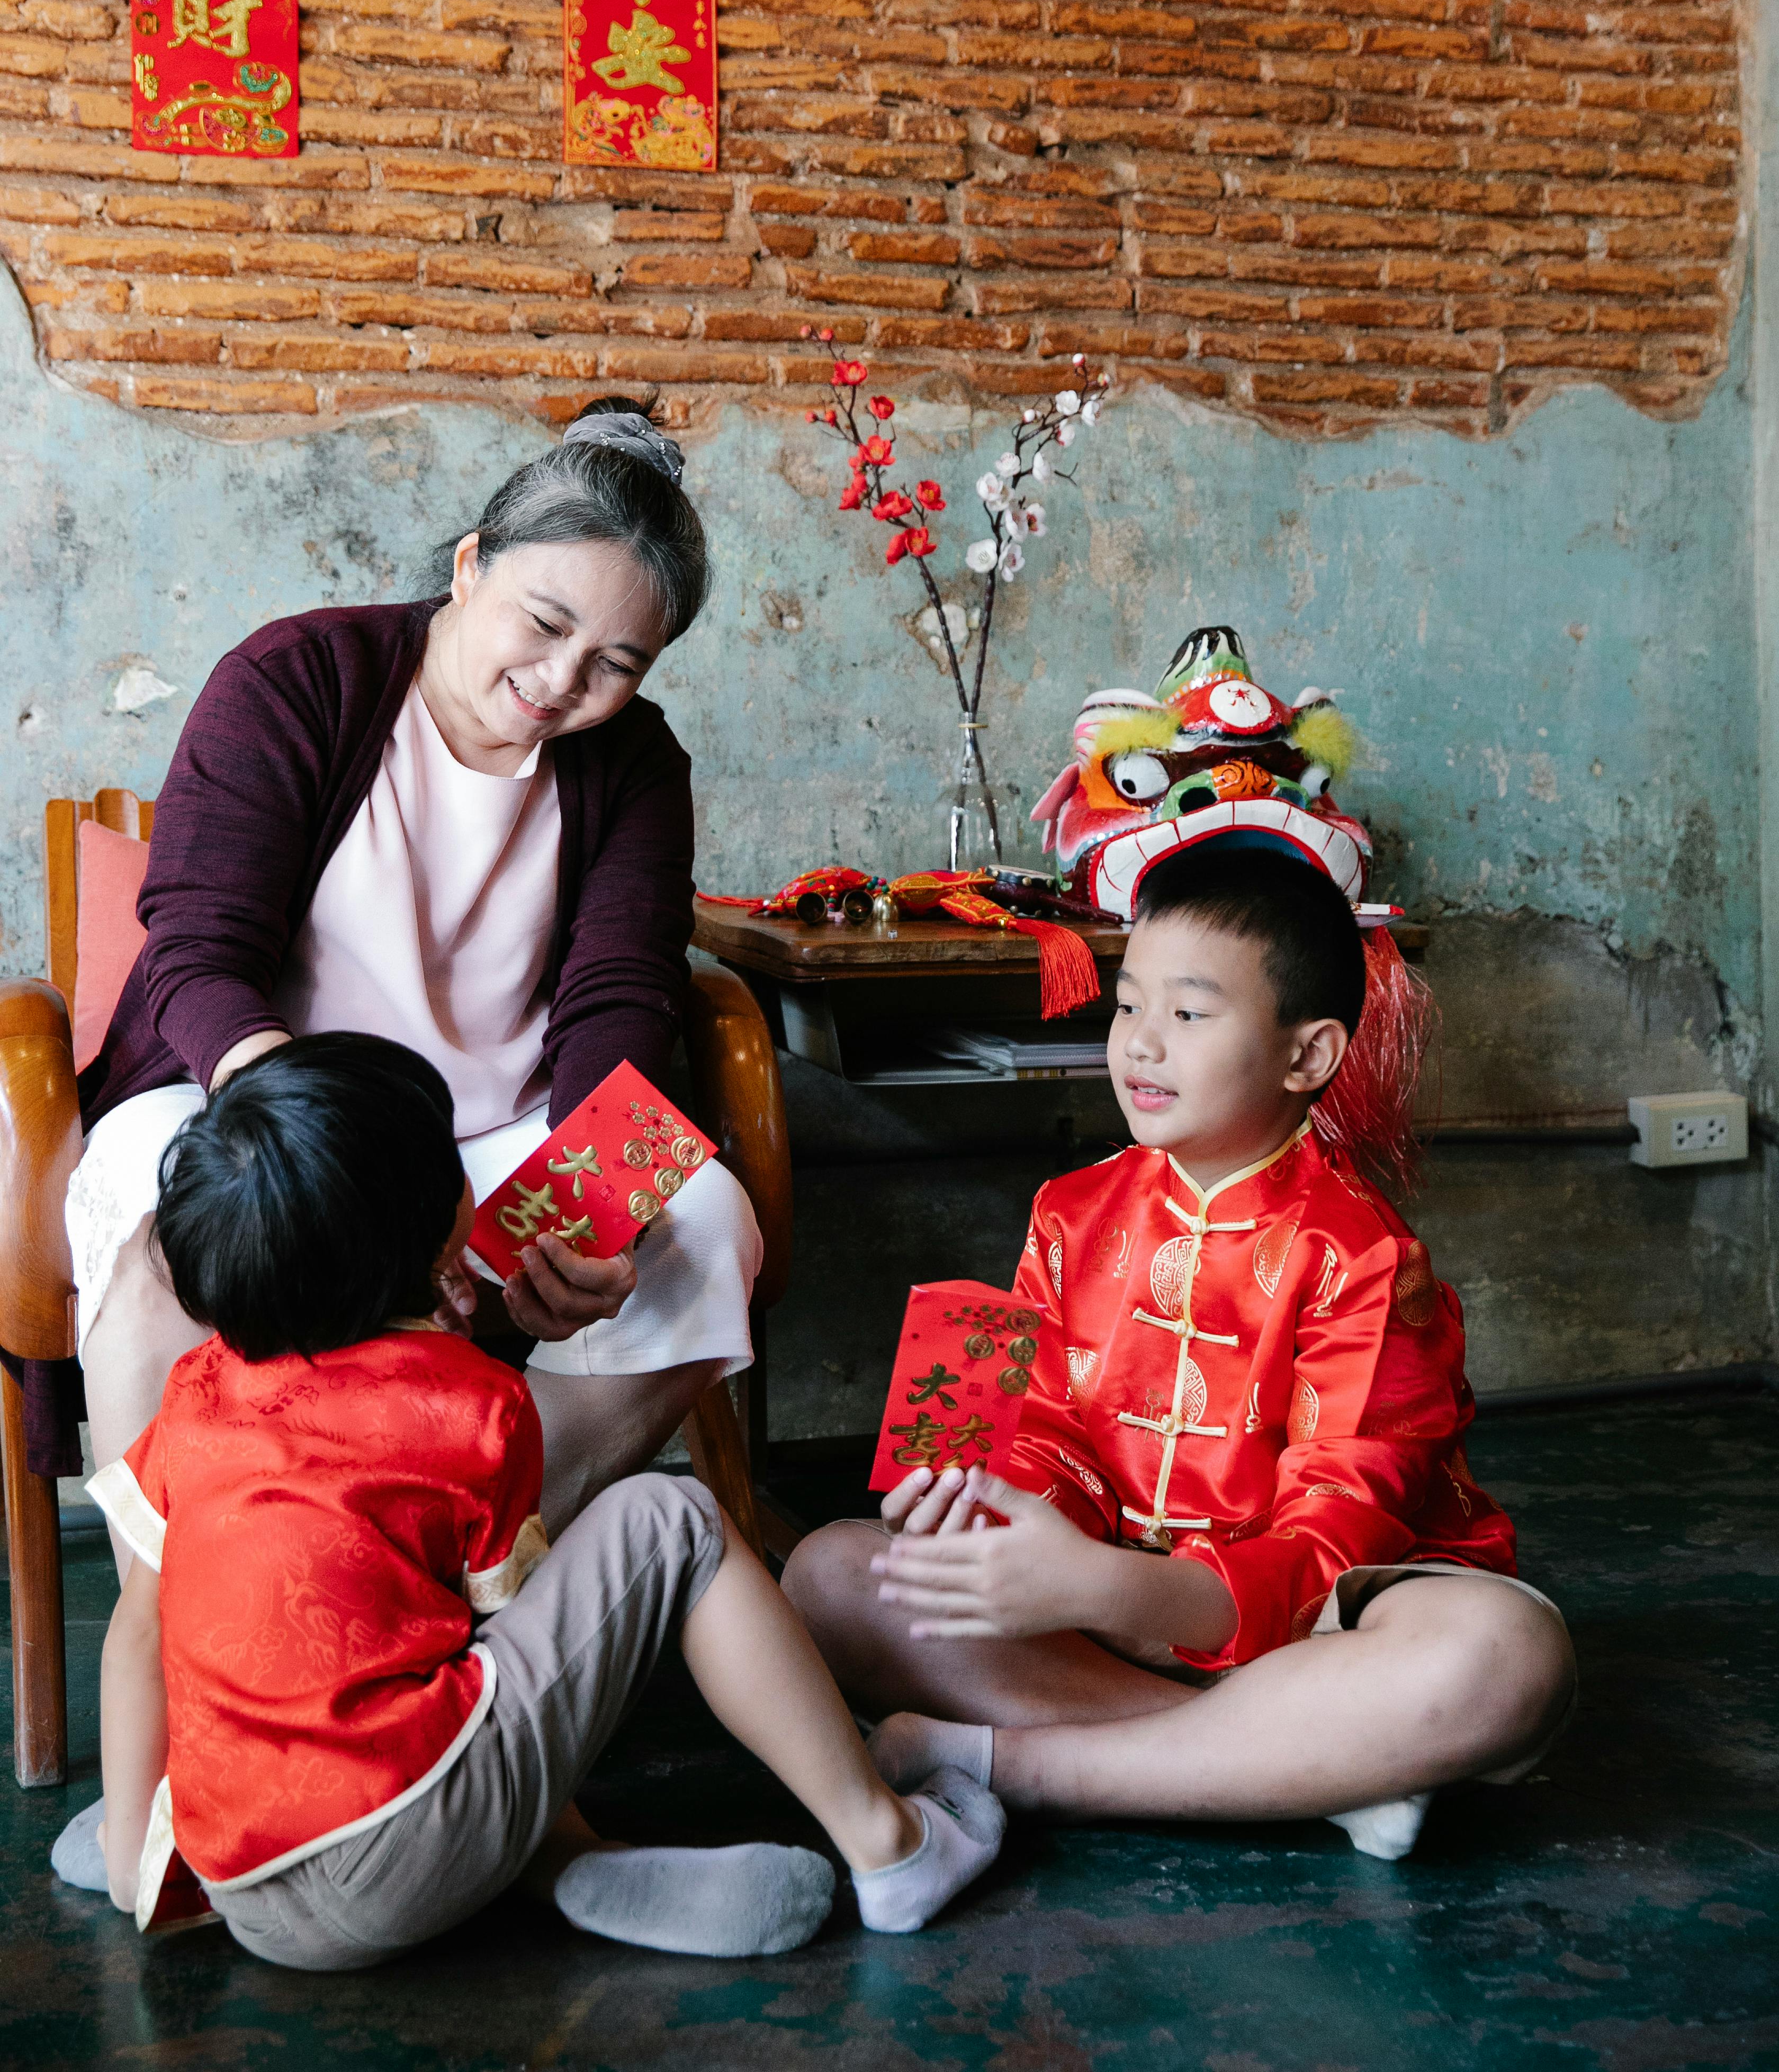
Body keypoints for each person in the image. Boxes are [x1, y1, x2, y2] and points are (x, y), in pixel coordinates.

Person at [66, 1034, 1004, 1968]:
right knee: (671, 1522)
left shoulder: (195, 1388)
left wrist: (131, 1867)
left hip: (242, 1891)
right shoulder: (472, 1407)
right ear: (436, 1226)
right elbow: (518, 1644)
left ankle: (146, 1835)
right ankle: (892, 1846)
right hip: (409, 1851)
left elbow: (140, 1635)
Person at [784, 848, 1577, 1863]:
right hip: (1102, 1609)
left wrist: (1099, 1590)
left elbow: (1338, 1538)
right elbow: (1047, 1428)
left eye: (1190, 1016)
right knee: (830, 1575)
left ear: (1309, 1056)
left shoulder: (1365, 1256)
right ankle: (1298, 1772)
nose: (1140, 1046)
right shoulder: (1070, 1213)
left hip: (1313, 1632)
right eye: (1125, 1008)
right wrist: (991, 1516)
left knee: (1506, 1659)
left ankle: (1020, 1764)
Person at [70, 398, 755, 1558]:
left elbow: (622, 992)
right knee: (160, 1217)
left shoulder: (635, 764)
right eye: (543, 622)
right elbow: (196, 944)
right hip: (250, 1086)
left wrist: (598, 1204)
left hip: (490, 1118)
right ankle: (181, 1610)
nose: (561, 681)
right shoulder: (299, 677)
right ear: (472, 564)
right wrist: (302, 1130)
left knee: (698, 1224)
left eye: (616, 665)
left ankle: (452, 1558)